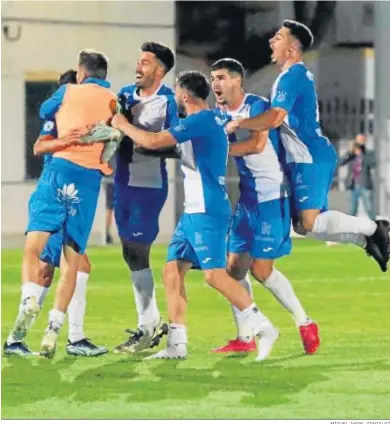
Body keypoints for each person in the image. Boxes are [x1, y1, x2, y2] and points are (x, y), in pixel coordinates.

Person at [112, 70, 280, 362]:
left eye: (177, 92)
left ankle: (264, 327)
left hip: (207, 210)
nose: (175, 96)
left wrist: (121, 123)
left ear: (185, 95)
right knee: (172, 272)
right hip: (193, 212)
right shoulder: (211, 119)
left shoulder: (199, 120)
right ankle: (177, 345)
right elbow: (181, 150)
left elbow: (153, 141)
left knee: (214, 276)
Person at [225, 20, 389, 272]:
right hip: (300, 159)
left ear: (291, 48)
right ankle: (367, 241)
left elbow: (275, 118)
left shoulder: (293, 76)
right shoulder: (288, 77)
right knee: (303, 226)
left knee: (309, 223)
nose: (271, 41)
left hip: (308, 157)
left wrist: (240, 123)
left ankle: (376, 228)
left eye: (278, 37)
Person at [7, 49, 117, 359]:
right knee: (58, 265)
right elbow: (41, 146)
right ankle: (40, 337)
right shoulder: (58, 119)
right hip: (64, 183)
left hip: (67, 183)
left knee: (72, 264)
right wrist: (72, 141)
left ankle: (60, 335)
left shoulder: (69, 106)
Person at [210, 58, 319, 355]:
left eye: (221, 78)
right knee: (233, 268)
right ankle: (245, 338)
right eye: (212, 79)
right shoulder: (218, 114)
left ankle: (304, 321)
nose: (215, 84)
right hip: (248, 197)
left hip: (272, 194)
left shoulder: (257, 106)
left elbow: (257, 146)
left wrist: (218, 150)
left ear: (236, 81)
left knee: (261, 269)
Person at [113, 42, 178, 354]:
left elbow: (179, 145)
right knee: (129, 252)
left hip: (148, 185)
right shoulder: (124, 94)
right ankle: (151, 323)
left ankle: (147, 327)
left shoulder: (169, 103)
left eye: (146, 63)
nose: (138, 67)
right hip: (122, 182)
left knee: (138, 251)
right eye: (138, 61)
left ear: (160, 70)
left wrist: (146, 143)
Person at [340, 134, 376, 220]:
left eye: (361, 140)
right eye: (358, 140)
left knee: (369, 208)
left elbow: (372, 163)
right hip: (352, 185)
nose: (359, 143)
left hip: (365, 185)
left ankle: (377, 227)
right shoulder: (351, 154)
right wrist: (350, 152)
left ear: (364, 142)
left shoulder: (369, 153)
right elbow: (341, 162)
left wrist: (361, 155)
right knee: (352, 210)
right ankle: (352, 230)